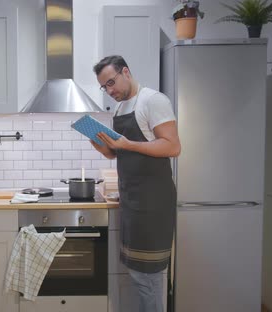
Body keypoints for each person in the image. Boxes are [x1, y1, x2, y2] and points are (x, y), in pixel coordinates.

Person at [92, 55, 181, 312]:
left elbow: (173, 146)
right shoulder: (121, 108)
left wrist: (127, 144)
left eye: (111, 82)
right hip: (132, 203)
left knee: (148, 278)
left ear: (126, 72)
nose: (110, 91)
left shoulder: (153, 100)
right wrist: (102, 147)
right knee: (137, 275)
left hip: (154, 204)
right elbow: (118, 153)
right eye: (104, 87)